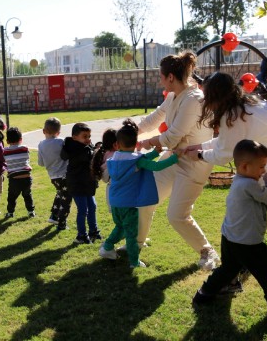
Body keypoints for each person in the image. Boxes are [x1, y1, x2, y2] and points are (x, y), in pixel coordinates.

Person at [192, 140, 267, 317]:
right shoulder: (249, 184)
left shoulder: (242, 181)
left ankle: (204, 294)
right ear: (245, 167)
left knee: (227, 270)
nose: (264, 171)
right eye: (262, 167)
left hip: (231, 239)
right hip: (249, 244)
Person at [136, 51, 218, 270]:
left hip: (194, 163)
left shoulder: (194, 99)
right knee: (145, 199)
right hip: (174, 158)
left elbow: (173, 136)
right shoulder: (174, 96)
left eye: (161, 76)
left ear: (170, 77)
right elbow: (156, 117)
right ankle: (136, 244)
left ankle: (207, 251)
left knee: (177, 215)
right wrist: (133, 131)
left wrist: (147, 142)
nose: (160, 80)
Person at [184, 72, 267, 195]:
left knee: (241, 207)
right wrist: (201, 147)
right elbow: (229, 140)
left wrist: (200, 155)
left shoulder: (232, 116)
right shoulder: (248, 105)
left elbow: (222, 155)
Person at [98, 119, 179, 269]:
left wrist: (155, 152)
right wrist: (175, 157)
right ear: (136, 144)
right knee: (131, 234)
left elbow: (140, 160)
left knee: (120, 227)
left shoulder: (114, 158)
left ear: (117, 144)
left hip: (115, 202)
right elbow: (156, 166)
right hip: (129, 204)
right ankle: (134, 262)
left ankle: (107, 247)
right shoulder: (136, 160)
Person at [61, 122, 101, 244]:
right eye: (85, 136)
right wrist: (98, 150)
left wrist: (97, 148)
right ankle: (81, 236)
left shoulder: (85, 146)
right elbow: (89, 156)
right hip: (77, 183)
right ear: (74, 137)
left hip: (87, 182)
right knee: (83, 209)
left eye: (89, 136)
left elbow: (91, 153)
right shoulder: (74, 148)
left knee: (92, 206)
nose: (88, 139)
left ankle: (93, 231)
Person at [38, 117, 71, 230]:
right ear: (59, 132)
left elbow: (41, 163)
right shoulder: (61, 142)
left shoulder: (41, 144)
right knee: (66, 199)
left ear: (43, 131)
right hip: (65, 175)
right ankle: (62, 223)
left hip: (53, 177)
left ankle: (54, 215)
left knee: (60, 193)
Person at [3, 127, 35, 219]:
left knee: (12, 197)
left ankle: (10, 213)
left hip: (14, 179)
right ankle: (31, 211)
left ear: (7, 141)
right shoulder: (25, 148)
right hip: (27, 178)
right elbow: (27, 158)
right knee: (27, 195)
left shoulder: (5, 151)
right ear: (20, 139)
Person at [91, 128, 118, 214]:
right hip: (118, 191)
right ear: (115, 144)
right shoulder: (116, 155)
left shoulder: (103, 154)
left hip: (111, 191)